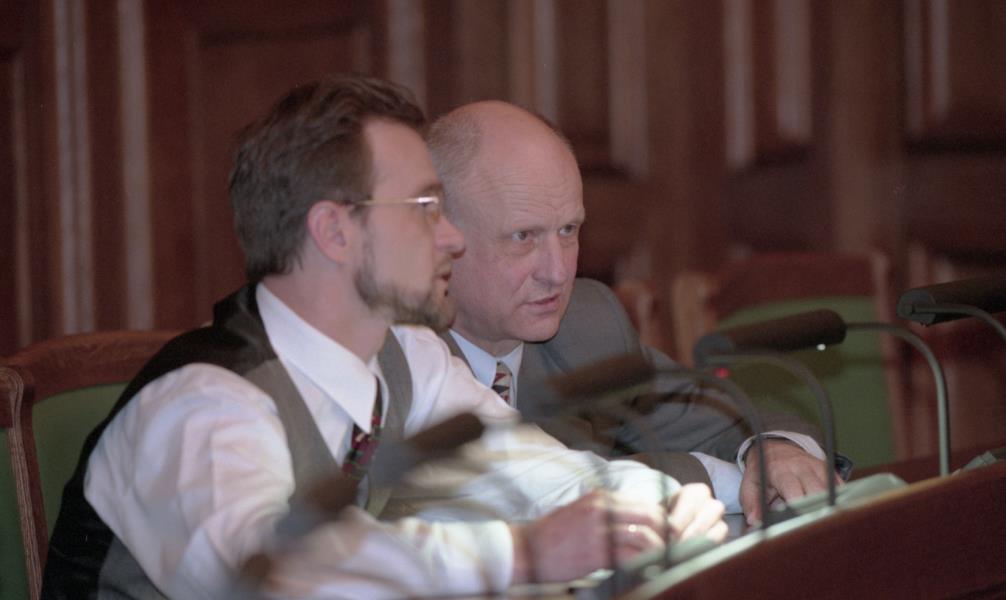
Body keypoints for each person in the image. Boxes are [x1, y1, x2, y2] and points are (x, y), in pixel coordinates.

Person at [40, 75, 727, 599]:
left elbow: (530, 474)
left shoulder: (405, 357)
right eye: (426, 208)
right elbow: (280, 577)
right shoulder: (200, 407)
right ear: (335, 232)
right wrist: (520, 555)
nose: (451, 237)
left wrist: (667, 508)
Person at [425, 100, 845, 526]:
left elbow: (727, 420)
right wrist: (714, 477)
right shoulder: (400, 354)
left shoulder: (586, 324)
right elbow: (531, 496)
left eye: (568, 230)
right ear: (440, 236)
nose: (558, 273)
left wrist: (772, 450)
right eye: (523, 237)